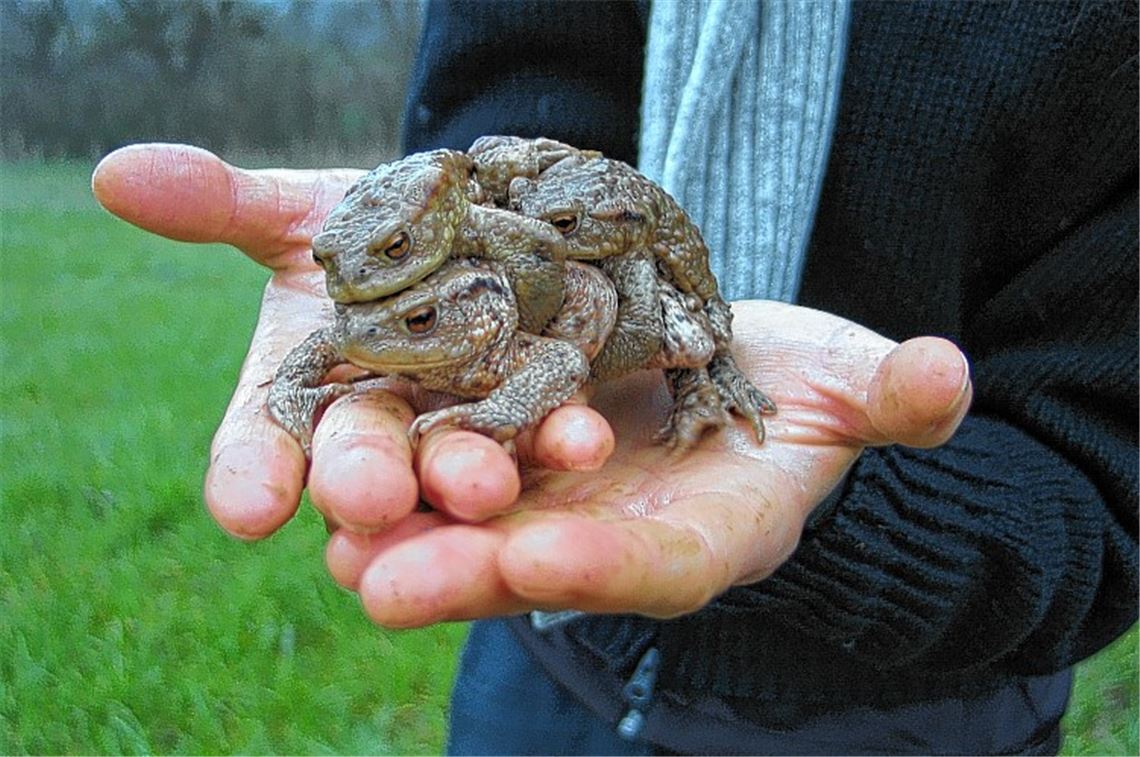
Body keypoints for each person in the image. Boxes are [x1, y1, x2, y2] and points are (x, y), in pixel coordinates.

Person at [92, 0, 1137, 753]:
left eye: (402, 295)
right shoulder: (419, 275)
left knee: (655, 323)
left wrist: (836, 484)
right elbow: (479, 134)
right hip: (542, 665)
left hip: (919, 719)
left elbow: (565, 320)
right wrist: (326, 367)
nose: (363, 309)